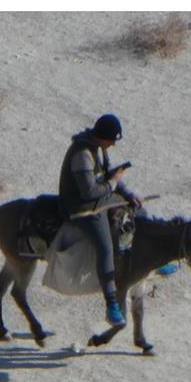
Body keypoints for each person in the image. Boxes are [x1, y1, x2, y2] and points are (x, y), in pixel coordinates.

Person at [58, 114, 142, 326]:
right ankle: (111, 303)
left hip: (100, 200)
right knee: (105, 247)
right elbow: (88, 191)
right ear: (102, 137)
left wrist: (128, 194)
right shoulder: (83, 154)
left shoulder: (99, 149)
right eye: (112, 140)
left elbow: (108, 176)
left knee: (137, 212)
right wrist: (114, 184)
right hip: (82, 208)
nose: (114, 144)